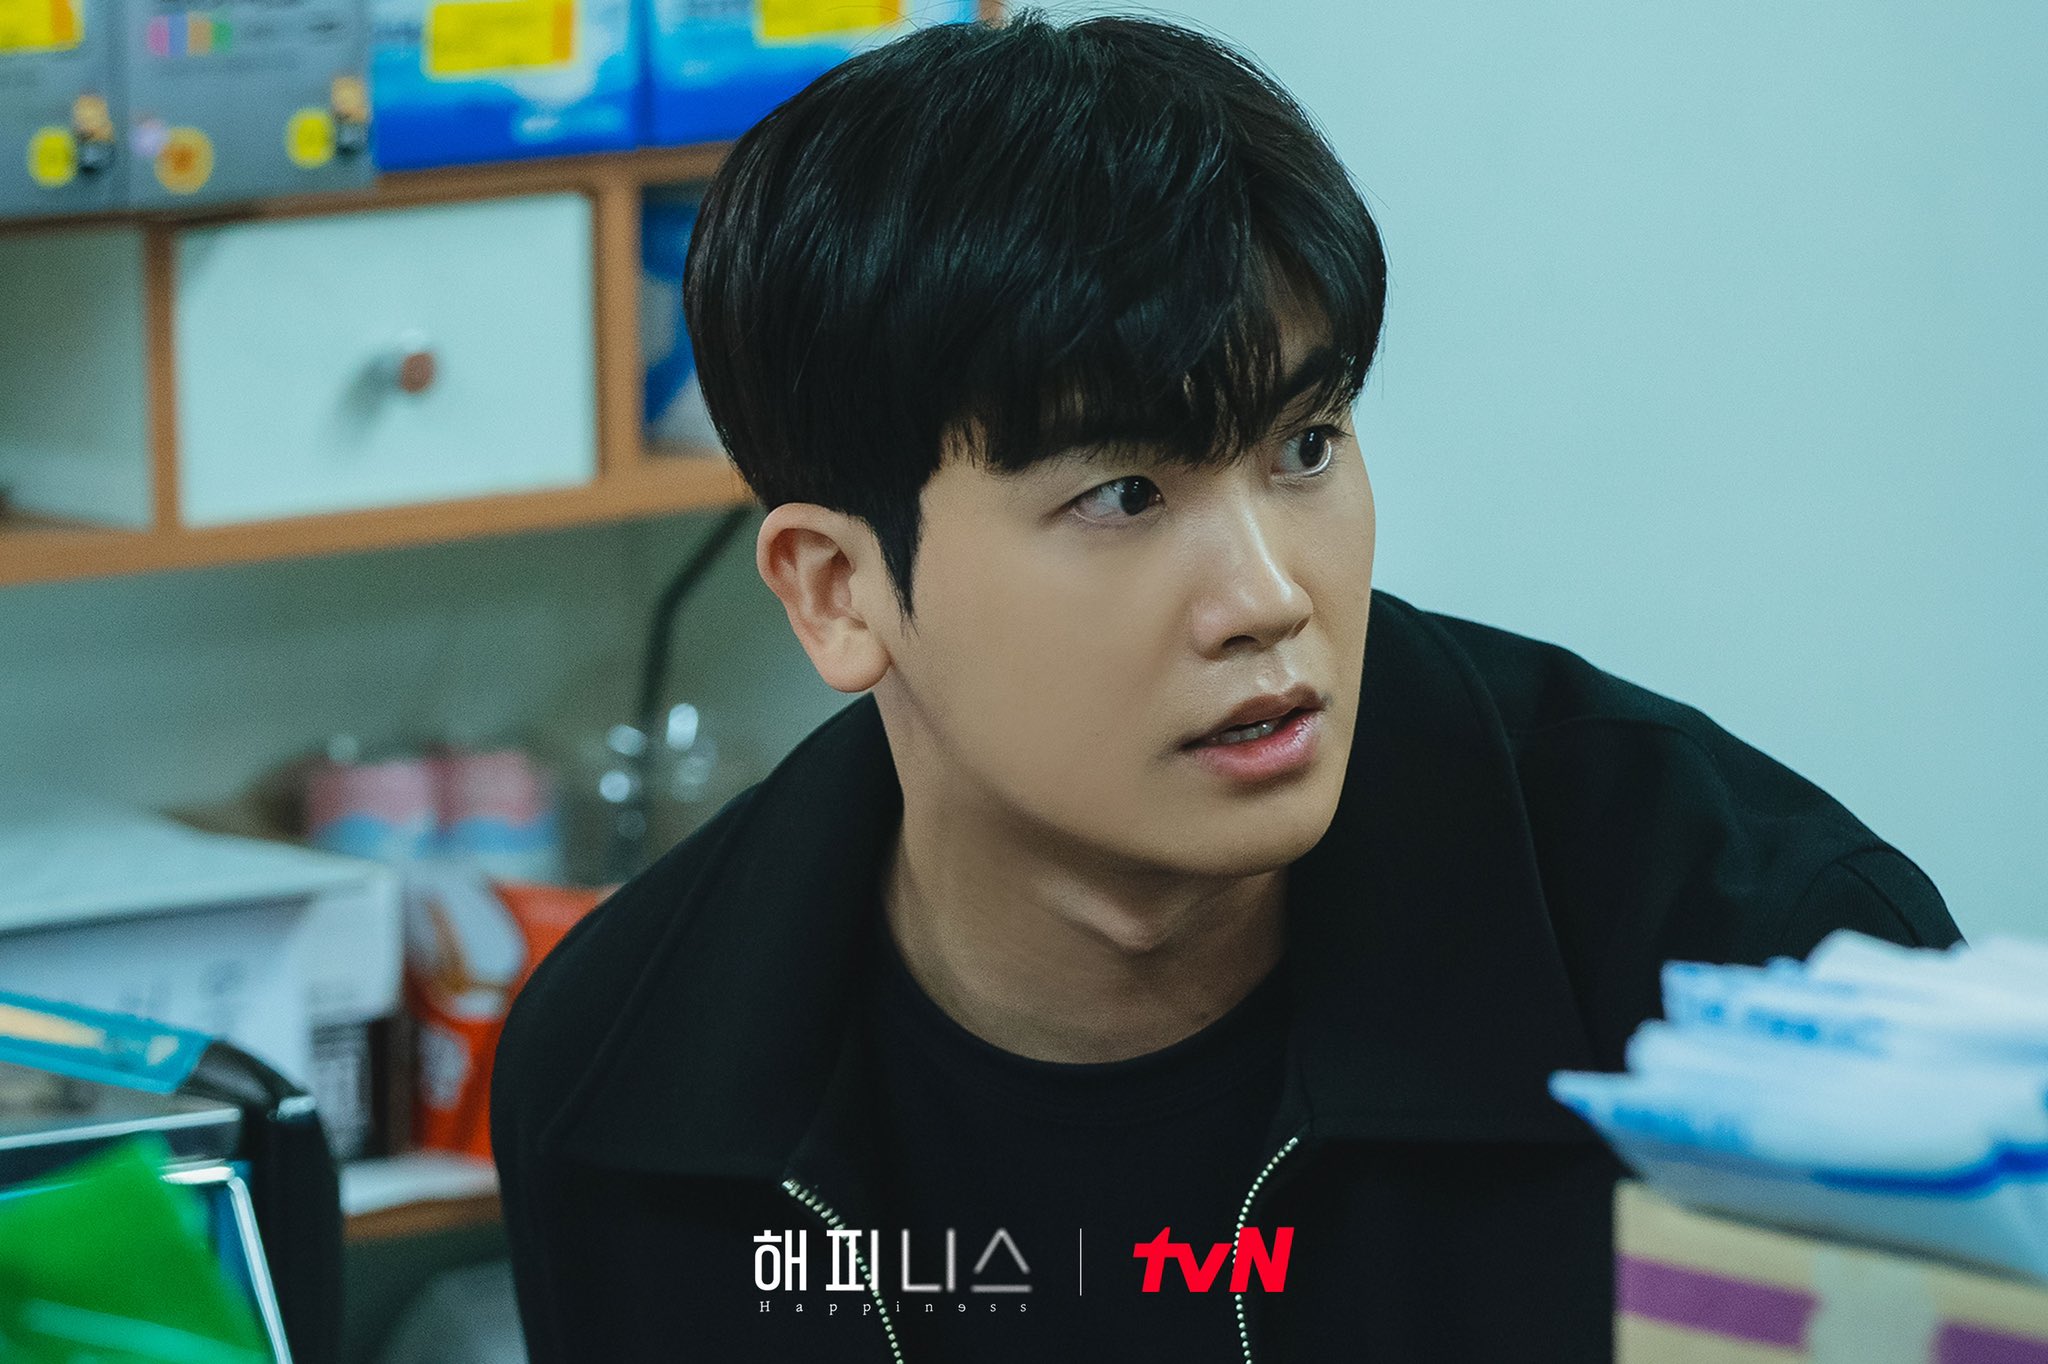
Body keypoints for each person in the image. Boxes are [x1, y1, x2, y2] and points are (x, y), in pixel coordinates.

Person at [490, 11, 1960, 1361]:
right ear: (837, 589)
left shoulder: (1759, 983)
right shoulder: (627, 1075)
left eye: (1305, 447)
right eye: (1124, 494)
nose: (1268, 597)